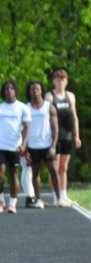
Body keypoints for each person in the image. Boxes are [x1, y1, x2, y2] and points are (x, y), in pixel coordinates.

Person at [45, 68, 81, 206]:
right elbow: (46, 117)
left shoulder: (70, 96)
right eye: (58, 79)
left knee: (63, 167)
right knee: (54, 167)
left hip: (68, 135)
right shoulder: (49, 97)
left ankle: (64, 195)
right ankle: (56, 196)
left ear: (66, 81)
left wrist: (77, 136)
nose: (60, 82)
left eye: (63, 79)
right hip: (54, 136)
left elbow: (74, 117)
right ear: (54, 81)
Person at [24, 81, 60, 208]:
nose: (35, 91)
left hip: (47, 145)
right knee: (35, 173)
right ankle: (39, 199)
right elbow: (22, 129)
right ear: (29, 92)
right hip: (32, 146)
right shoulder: (26, 108)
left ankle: (58, 198)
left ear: (41, 91)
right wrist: (25, 149)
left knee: (53, 170)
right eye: (32, 89)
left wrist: (53, 146)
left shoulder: (49, 107)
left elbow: (55, 128)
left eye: (37, 89)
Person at [0, 80, 31, 216]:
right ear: (3, 92)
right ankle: (1, 199)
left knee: (13, 174)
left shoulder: (23, 108)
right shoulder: (1, 108)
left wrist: (24, 145)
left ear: (15, 91)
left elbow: (27, 128)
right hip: (1, 145)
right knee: (0, 173)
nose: (9, 91)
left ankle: (12, 203)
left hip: (15, 146)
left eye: (11, 88)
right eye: (6, 89)